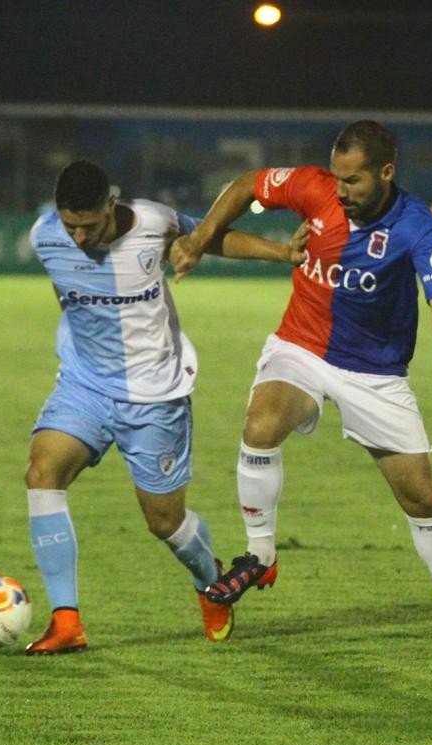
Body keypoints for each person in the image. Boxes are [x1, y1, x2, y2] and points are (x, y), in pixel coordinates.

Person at [173, 120, 432, 648]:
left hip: (374, 373)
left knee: (421, 498)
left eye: (353, 181)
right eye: (336, 178)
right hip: (301, 347)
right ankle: (260, 557)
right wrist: (197, 239)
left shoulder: (417, 226)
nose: (341, 190)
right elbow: (246, 185)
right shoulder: (315, 187)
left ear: (386, 172)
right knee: (261, 425)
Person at [24, 159, 305, 654]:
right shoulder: (46, 237)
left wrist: (280, 252)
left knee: (163, 521)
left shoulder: (155, 222)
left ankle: (209, 582)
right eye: (71, 226)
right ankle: (66, 620)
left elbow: (211, 237)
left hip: (155, 396)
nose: (80, 237)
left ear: (112, 204)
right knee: (42, 475)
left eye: (89, 226)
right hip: (84, 386)